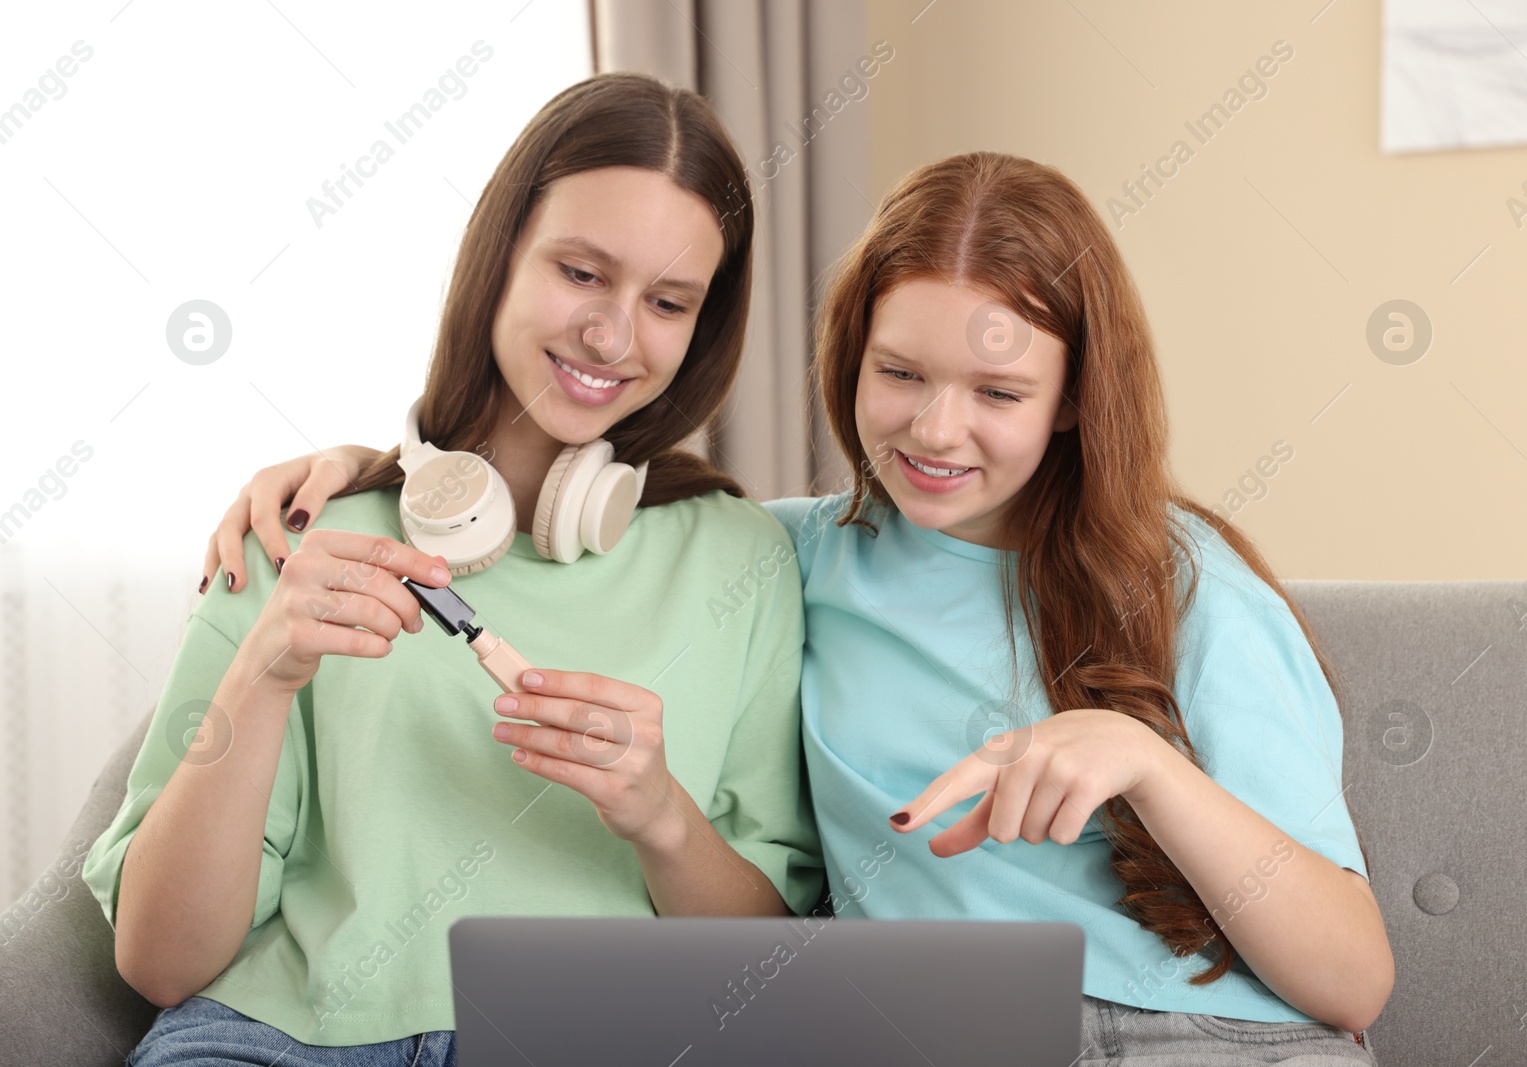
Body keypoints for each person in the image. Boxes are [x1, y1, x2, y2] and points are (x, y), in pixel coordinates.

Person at [200, 152, 1393, 1063]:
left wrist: (1140, 758)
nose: (934, 429)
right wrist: (374, 473)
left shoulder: (1185, 582)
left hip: (1218, 1039)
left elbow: (1354, 981)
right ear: (847, 361)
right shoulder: (777, 559)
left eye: (997, 390)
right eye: (900, 373)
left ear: (1075, 398)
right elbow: (564, 522)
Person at [82, 72, 823, 1066]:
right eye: (581, 271)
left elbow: (770, 972)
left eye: (668, 300)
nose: (612, 334)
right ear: (500, 256)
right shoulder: (301, 534)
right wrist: (263, 671)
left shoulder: (744, 559)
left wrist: (660, 816)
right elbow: (161, 963)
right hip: (281, 1042)